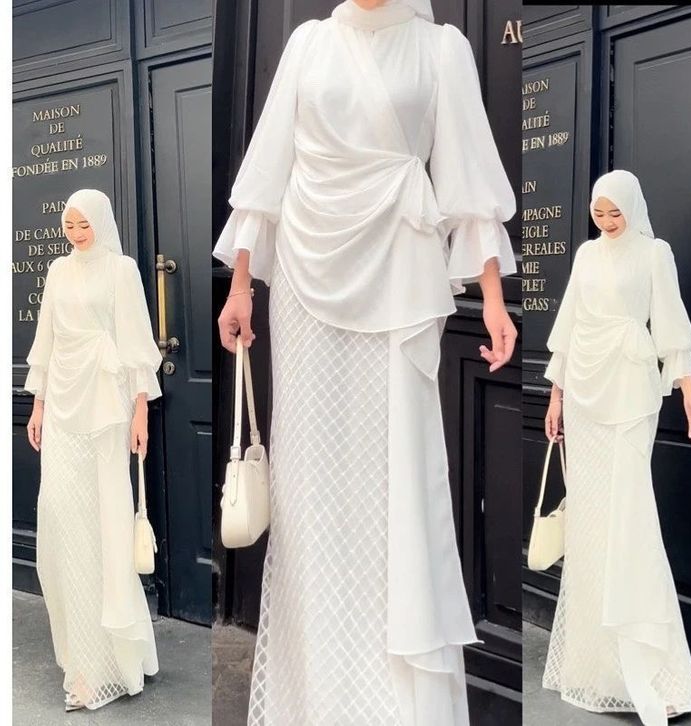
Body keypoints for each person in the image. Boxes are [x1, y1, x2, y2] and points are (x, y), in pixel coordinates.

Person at [214, 1, 518, 723]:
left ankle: (393, 701)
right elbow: (268, 173)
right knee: (311, 490)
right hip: (305, 285)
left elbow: (470, 182)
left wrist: (494, 299)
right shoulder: (308, 43)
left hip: (400, 277)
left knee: (397, 480)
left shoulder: (442, 49)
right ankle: (315, 696)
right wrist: (240, 286)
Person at [542, 170, 691, 725]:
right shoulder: (586, 255)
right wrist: (555, 398)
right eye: (599, 213)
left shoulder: (655, 254)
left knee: (631, 519)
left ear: (633, 208)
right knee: (592, 523)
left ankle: (654, 672)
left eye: (616, 213)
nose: (607, 222)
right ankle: (599, 668)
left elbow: (672, 325)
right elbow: (568, 326)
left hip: (632, 392)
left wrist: (689, 393)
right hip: (584, 394)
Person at [25, 189, 162, 711]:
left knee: (105, 525)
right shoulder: (57, 272)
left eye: (84, 225)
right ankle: (80, 658)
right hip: (61, 407)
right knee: (63, 521)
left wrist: (141, 411)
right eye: (69, 226)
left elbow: (136, 344)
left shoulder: (122, 271)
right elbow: (46, 341)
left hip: (106, 408)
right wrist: (37, 406)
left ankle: (108, 663)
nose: (77, 235)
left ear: (101, 223)